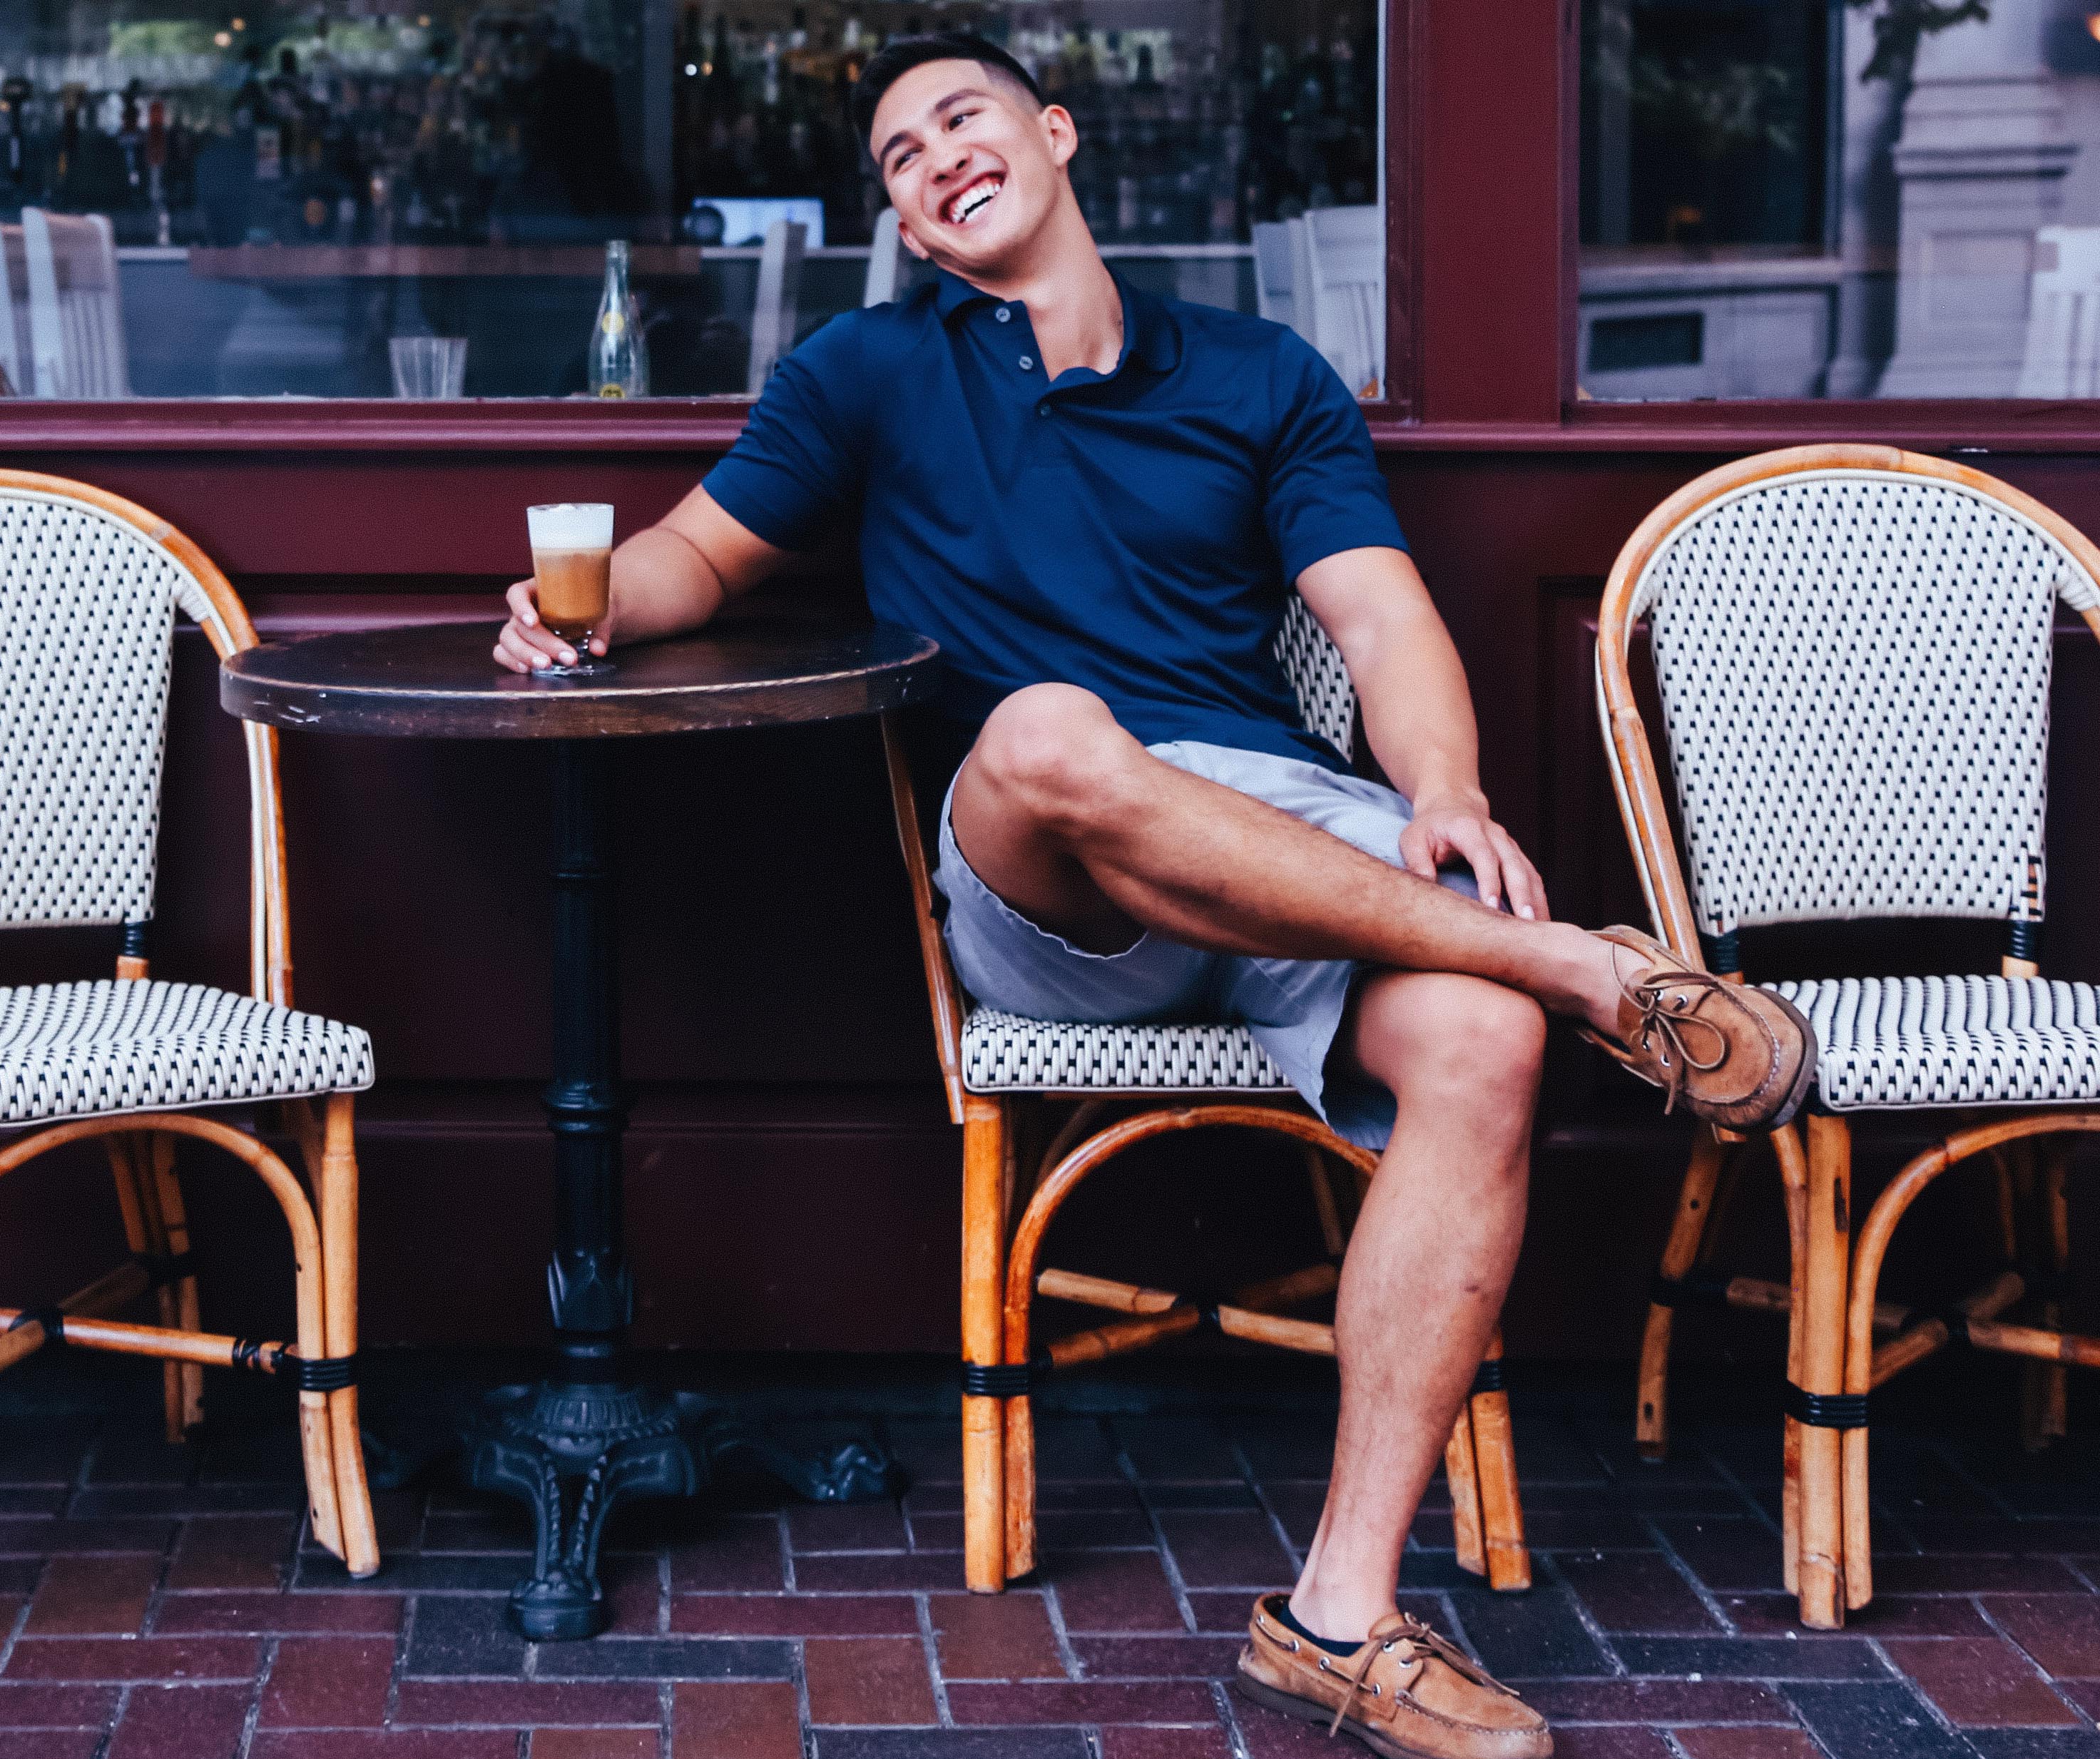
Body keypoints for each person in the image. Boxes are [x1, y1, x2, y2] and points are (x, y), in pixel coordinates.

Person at [494, 34, 1812, 1758]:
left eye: (957, 117)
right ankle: (1581, 967)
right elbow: (696, 554)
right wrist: (580, 604)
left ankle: (1337, 1616)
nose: (930, 158)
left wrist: (1446, 792)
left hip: (1280, 851)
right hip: (1057, 891)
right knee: (1049, 728)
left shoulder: (1260, 372)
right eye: (895, 156)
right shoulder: (867, 371)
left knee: (1480, 1040)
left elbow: (1380, 618)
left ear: (1051, 131)